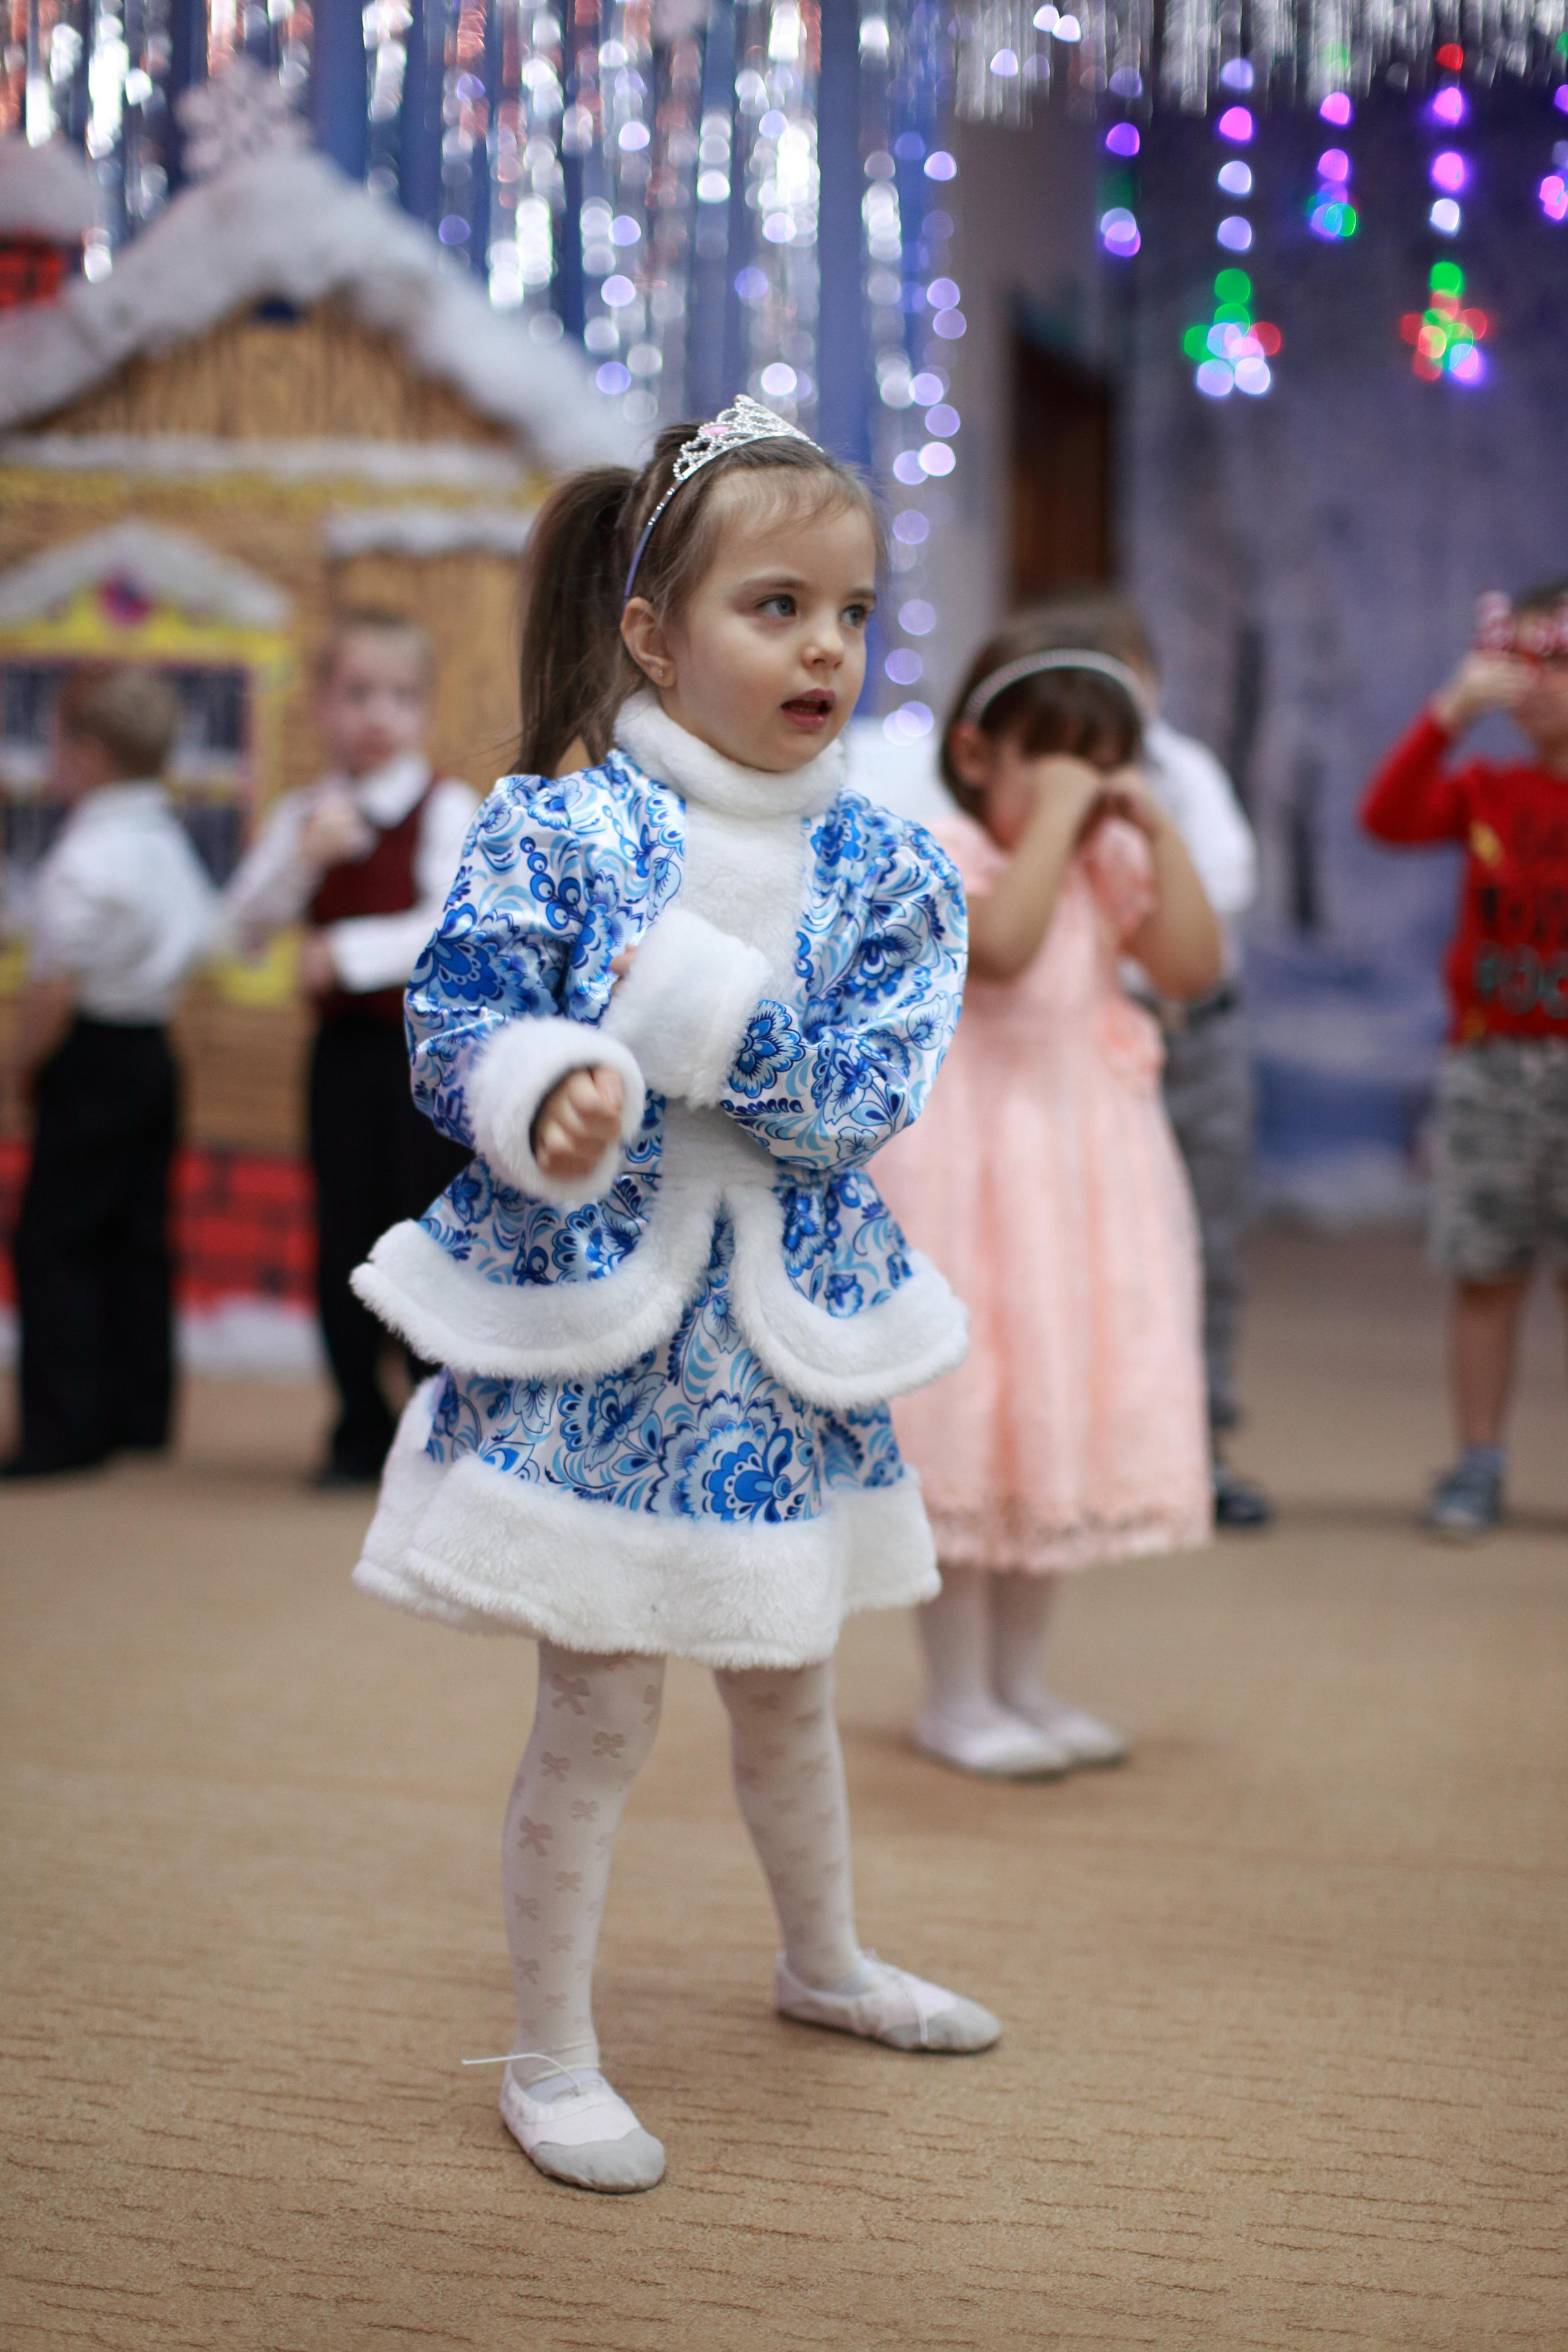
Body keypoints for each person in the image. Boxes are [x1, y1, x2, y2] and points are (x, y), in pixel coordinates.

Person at [345, 398, 998, 2198]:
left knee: (790, 1675)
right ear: (651, 632)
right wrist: (543, 1085)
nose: (827, 649)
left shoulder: (892, 867)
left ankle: (827, 1962)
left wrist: (696, 1015)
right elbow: (457, 1023)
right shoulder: (554, 831)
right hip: (598, 1345)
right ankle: (550, 2052)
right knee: (603, 1708)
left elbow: (869, 1094)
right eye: (777, 606)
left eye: (854, 613)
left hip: (781, 1351)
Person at [873, 616, 1218, 1778]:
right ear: (978, 756)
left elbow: (1190, 968)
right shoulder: (950, 852)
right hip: (974, 1172)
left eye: (1102, 760)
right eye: (1051, 758)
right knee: (977, 1417)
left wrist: (1155, 829)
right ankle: (955, 1694)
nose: (1080, 784)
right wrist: (1065, 815)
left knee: (1056, 1415)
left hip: (1085, 1172)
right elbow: (1006, 951)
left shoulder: (1102, 859)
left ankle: (1023, 1682)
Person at [224, 611, 478, 1483]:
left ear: (426, 709)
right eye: (358, 694)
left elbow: (454, 926)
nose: (379, 715)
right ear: (323, 707)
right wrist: (301, 858)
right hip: (341, 1060)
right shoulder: (305, 812)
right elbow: (245, 926)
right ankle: (356, 1424)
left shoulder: (446, 806)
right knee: (346, 1231)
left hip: (428, 1062)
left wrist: (351, 951)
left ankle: (440, 1416)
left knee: (428, 1229)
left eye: (400, 697)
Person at [1360, 576, 1568, 1539]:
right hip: (1492, 1071)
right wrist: (1451, 710)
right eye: (1517, 662)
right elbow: (1388, 817)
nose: (1533, 684)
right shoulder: (1489, 790)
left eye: (1555, 662)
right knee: (1486, 1274)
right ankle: (1480, 1459)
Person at [1067, 596, 1271, 1529]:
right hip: (1092, 1046)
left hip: (1199, 1041)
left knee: (1205, 1249)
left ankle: (1207, 1441)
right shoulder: (1039, 787)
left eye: (1126, 674)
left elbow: (1227, 883)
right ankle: (1089, 1446)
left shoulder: (1182, 774)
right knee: (1089, 1254)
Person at [4, 665, 218, 1477]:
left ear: (88, 753)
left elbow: (53, 986)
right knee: (136, 1234)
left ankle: (64, 1431)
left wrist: (20, 1067)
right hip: (153, 1050)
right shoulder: (168, 843)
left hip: (92, 1051)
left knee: (55, 1240)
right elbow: (205, 935)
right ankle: (138, 1410)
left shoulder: (83, 859)